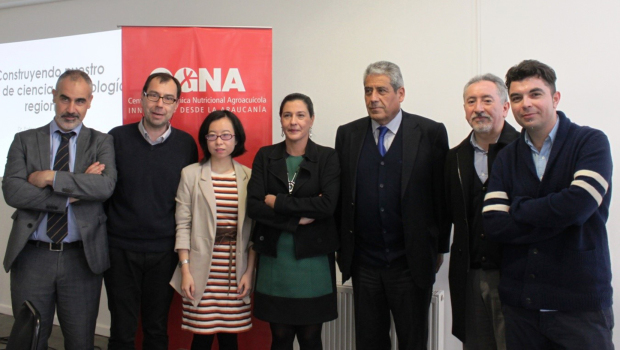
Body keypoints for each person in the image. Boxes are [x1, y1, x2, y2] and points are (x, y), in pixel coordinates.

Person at [482, 60, 614, 349]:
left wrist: (518, 208)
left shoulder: (590, 142)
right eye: (516, 97)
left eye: (535, 94)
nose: (525, 104)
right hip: (521, 307)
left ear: (555, 98)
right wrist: (561, 219)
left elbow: (579, 206)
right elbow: (493, 223)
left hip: (580, 307)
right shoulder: (506, 156)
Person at [335, 61, 450, 350]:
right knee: (369, 342)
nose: (373, 98)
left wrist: (439, 247)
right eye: (368, 91)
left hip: (410, 264)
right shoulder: (347, 135)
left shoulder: (430, 132)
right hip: (365, 264)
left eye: (382, 90)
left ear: (400, 93)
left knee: (413, 341)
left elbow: (441, 195)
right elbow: (342, 196)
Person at [2, 70, 116, 350]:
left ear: (89, 102)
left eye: (79, 101)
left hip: (81, 259)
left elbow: (104, 188)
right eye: (64, 99)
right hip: (32, 257)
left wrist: (49, 177)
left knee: (80, 342)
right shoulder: (24, 140)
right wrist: (72, 194)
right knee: (29, 341)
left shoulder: (102, 142)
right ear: (53, 96)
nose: (70, 109)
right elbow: (13, 191)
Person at [104, 72, 198, 350]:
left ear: (176, 105)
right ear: (142, 98)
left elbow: (187, 202)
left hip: (164, 252)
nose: (160, 104)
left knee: (156, 330)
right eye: (154, 95)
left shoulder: (186, 144)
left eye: (168, 98)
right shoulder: (116, 138)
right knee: (122, 329)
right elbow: (104, 191)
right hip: (120, 249)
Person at [247, 93, 340, 350]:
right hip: (275, 261)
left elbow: (327, 205)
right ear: (280, 119)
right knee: (280, 337)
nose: (293, 121)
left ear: (311, 120)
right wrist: (296, 219)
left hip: (313, 263)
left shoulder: (327, 157)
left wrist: (276, 202)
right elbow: (254, 206)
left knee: (311, 338)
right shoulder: (265, 156)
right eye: (287, 115)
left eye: (300, 115)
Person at [170, 110, 256, 350]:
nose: (219, 141)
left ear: (236, 139)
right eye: (213, 135)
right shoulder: (191, 174)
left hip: (234, 272)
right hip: (201, 272)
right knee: (201, 338)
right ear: (204, 139)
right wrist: (185, 270)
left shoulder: (249, 177)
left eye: (226, 135)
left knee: (231, 339)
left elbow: (254, 232)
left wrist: (250, 271)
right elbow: (183, 224)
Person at [445, 73, 519, 350]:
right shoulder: (454, 157)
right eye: (471, 101)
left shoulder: (523, 149)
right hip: (470, 273)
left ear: (504, 107)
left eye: (487, 100)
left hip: (514, 272)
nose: (478, 108)